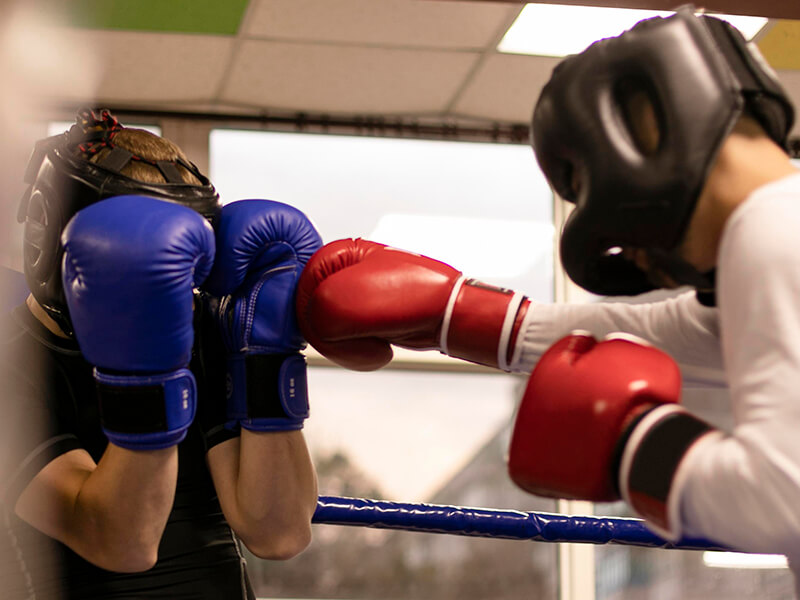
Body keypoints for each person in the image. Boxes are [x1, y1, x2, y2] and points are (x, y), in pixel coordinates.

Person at [293, 8, 800, 592]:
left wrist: (634, 440)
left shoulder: (771, 227)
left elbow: (783, 501)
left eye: (586, 184)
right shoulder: (772, 230)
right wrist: (455, 314)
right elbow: (656, 331)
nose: (619, 242)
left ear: (646, 133)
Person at [1, 109, 320, 599]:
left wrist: (265, 357)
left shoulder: (198, 329)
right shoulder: (12, 369)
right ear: (55, 235)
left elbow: (279, 532)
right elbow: (121, 543)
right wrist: (146, 368)